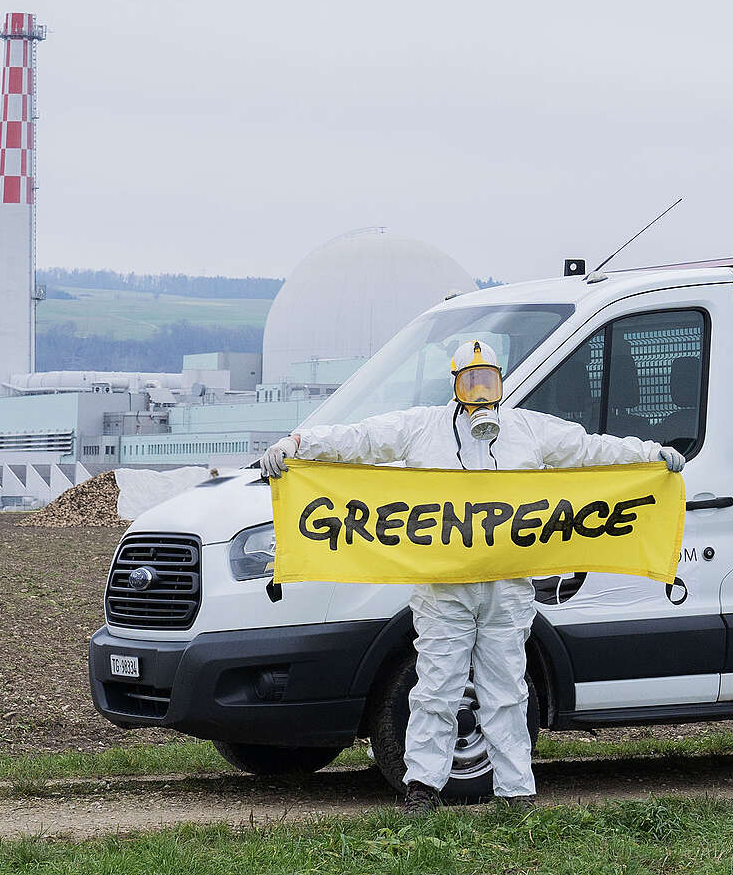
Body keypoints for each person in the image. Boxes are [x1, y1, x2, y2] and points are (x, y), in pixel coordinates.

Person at [262, 338, 685, 814]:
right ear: (455, 385)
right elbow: (361, 440)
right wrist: (298, 446)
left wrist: (649, 456)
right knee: (436, 687)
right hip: (445, 591)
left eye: (490, 380)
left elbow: (588, 451)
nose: (481, 391)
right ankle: (422, 787)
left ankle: (516, 791)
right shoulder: (422, 428)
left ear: (502, 383)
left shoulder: (528, 430)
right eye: (471, 381)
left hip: (507, 587)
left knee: (507, 690)